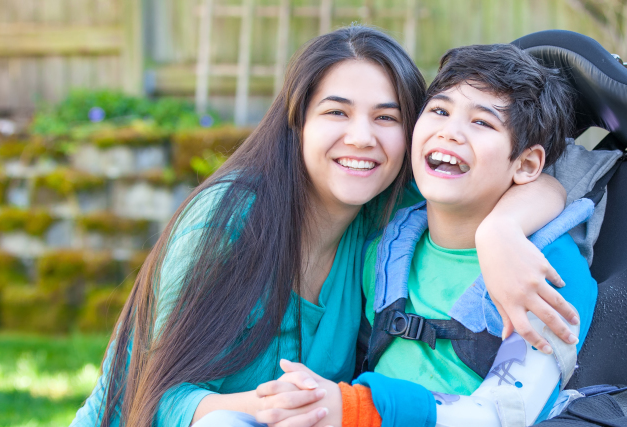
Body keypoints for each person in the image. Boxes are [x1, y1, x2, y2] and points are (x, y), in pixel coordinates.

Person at [70, 26, 582, 427]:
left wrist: (501, 232)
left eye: (386, 118)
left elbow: (538, 183)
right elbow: (148, 397)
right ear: (298, 122)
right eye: (337, 112)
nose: (361, 138)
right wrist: (286, 404)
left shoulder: (391, 216)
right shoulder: (226, 221)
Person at [240, 43, 597, 427]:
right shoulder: (386, 245)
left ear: (526, 164)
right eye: (440, 111)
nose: (449, 132)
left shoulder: (549, 270)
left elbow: (506, 412)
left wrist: (360, 407)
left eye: (482, 123)